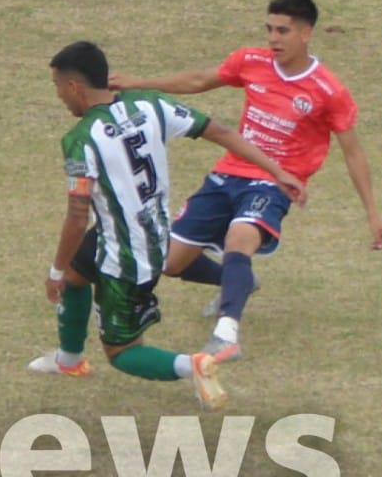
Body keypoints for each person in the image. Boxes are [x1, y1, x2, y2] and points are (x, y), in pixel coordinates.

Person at [108, 0, 382, 361]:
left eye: (283, 31)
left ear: (306, 34)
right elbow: (198, 80)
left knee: (239, 237)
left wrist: (372, 213)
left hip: (276, 183)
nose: (273, 38)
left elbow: (353, 152)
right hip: (228, 173)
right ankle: (237, 282)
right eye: (270, 29)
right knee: (171, 263)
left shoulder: (327, 91)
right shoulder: (251, 61)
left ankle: (227, 334)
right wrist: (137, 82)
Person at [31, 42, 305, 409]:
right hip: (155, 236)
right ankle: (69, 360)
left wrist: (54, 269)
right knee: (77, 277)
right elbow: (220, 131)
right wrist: (276, 171)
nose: (59, 95)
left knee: (122, 351)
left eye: (58, 86)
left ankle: (193, 365)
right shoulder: (150, 105)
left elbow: (77, 216)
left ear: (74, 87)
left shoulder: (81, 141)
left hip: (126, 256)